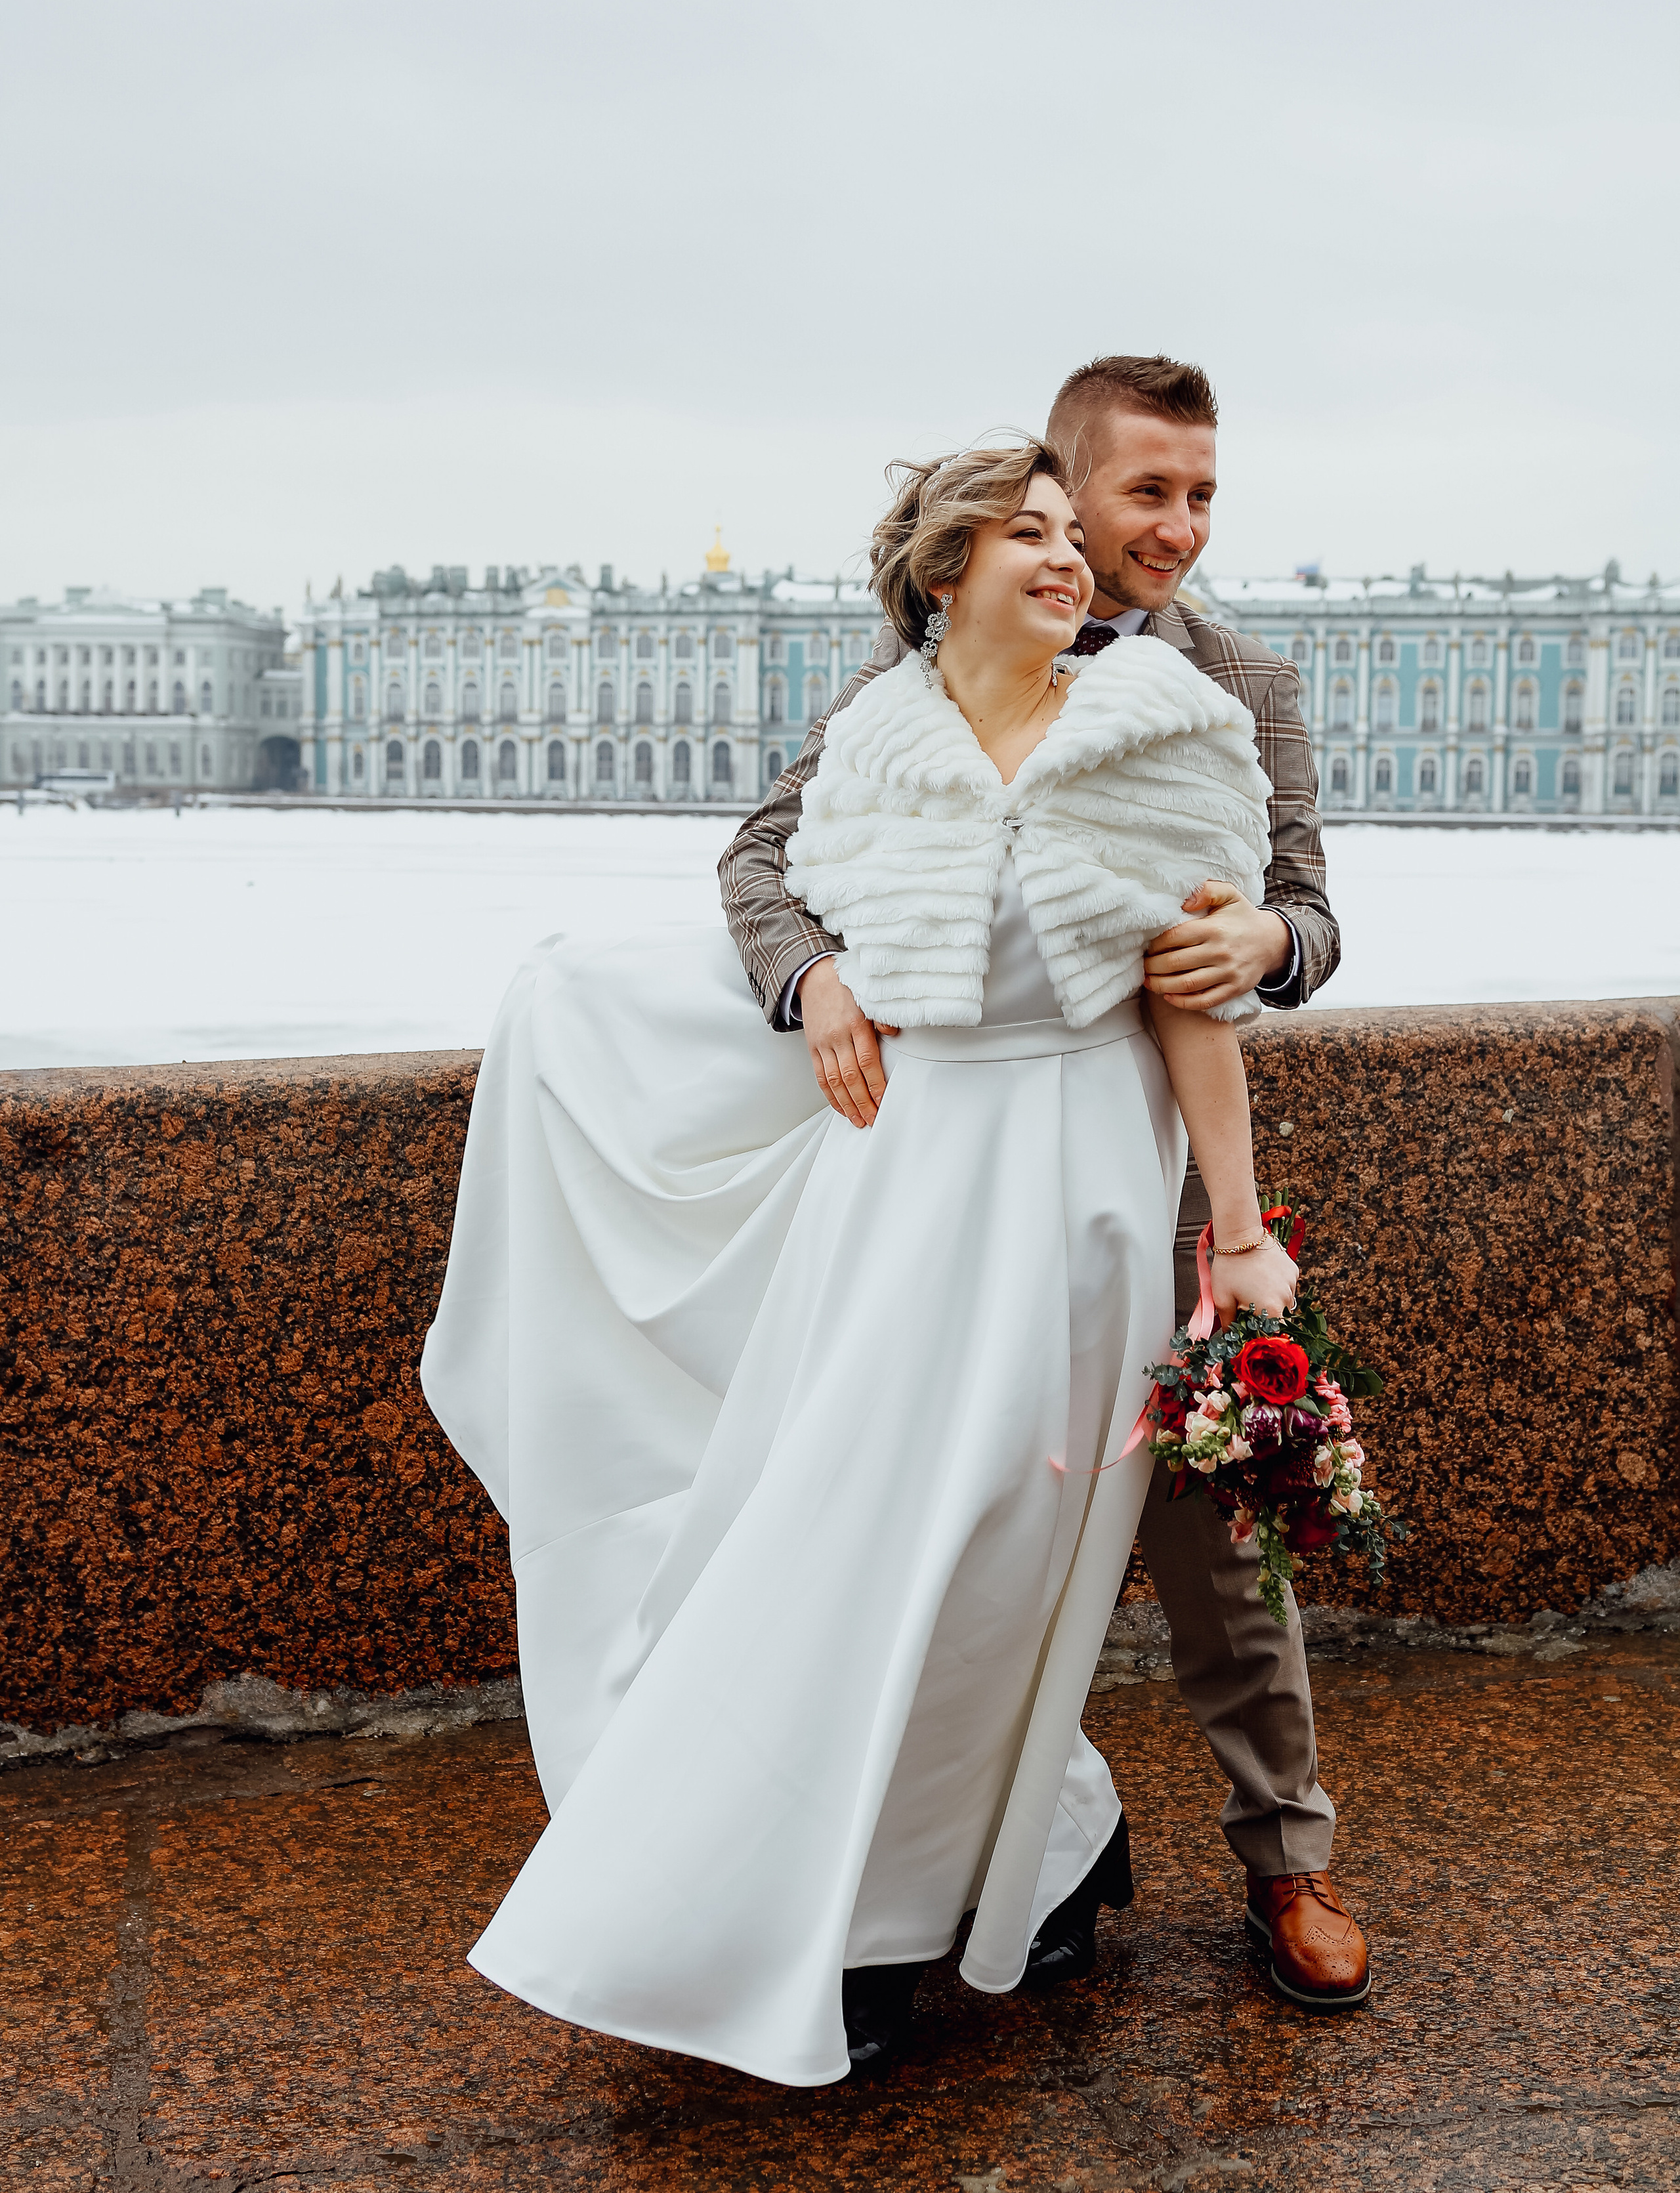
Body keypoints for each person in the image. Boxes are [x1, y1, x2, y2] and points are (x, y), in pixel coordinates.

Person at [423, 434, 1303, 2087]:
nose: (1067, 558)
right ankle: (970, 1877)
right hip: (891, 1190)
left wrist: (1240, 1234)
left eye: (1071, 530)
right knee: (844, 1549)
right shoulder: (875, 739)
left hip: (1074, 1203)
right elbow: (773, 892)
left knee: (984, 1577)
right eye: (1026, 533)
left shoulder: (1161, 729)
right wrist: (811, 979)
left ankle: (927, 1906)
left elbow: (1196, 1002)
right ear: (940, 573)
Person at [719, 355, 1370, 2015]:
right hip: (952, 1194)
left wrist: (1267, 940)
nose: (1179, 527)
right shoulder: (933, 662)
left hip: (1152, 1181)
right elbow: (767, 855)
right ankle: (1026, 1849)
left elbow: (1306, 909)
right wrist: (815, 980)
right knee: (967, 1551)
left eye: (1202, 494)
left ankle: (1285, 1862)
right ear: (1062, 493)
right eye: (1144, 491)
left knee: (1220, 1557)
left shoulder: (1237, 679)